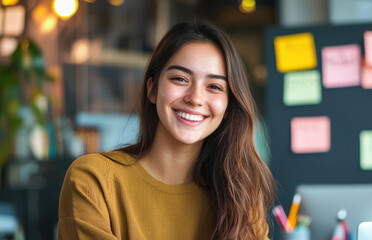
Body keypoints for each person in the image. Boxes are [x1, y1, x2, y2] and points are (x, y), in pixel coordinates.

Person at [58, 20, 276, 240]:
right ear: (152, 89)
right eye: (180, 79)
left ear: (228, 106)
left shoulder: (239, 197)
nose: (195, 98)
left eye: (214, 86)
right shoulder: (93, 180)